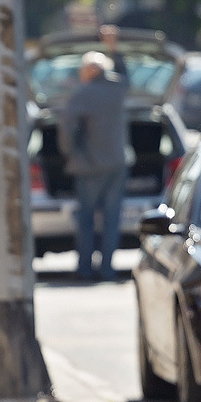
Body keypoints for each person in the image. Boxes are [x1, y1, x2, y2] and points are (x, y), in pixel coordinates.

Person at [58, 50, 129, 281]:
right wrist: (115, 50)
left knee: (86, 220)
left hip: (88, 168)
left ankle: (85, 269)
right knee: (111, 220)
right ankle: (107, 269)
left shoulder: (83, 94)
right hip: (117, 165)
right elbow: (126, 78)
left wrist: (69, 153)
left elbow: (67, 129)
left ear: (90, 71)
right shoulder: (118, 90)